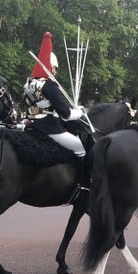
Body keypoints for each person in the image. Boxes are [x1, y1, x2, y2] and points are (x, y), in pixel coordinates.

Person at [23, 31, 90, 188]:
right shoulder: (49, 85)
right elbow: (65, 114)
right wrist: (80, 112)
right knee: (79, 147)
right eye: (55, 69)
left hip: (30, 123)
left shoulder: (28, 83)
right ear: (51, 67)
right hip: (48, 126)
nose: (56, 72)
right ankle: (83, 184)